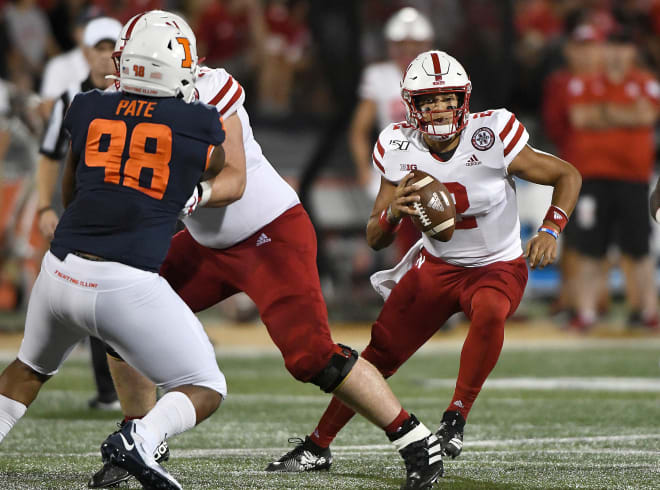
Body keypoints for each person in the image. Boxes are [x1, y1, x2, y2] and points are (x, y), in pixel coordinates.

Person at [88, 10, 444, 490]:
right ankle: (140, 439)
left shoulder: (211, 89)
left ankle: (416, 440)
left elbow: (232, 180)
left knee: (311, 358)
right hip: (207, 242)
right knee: (118, 313)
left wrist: (185, 196)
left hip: (268, 234)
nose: (122, 70)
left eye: (131, 59)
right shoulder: (121, 102)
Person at [266, 50, 582, 472]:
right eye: (428, 100)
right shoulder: (397, 146)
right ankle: (317, 444)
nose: (439, 108)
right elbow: (375, 237)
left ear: (463, 100)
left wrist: (550, 229)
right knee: (379, 354)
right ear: (411, 105)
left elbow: (568, 175)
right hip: (435, 267)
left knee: (489, 311)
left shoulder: (493, 133)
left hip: (496, 265)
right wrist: (393, 211)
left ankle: (456, 417)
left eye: (447, 98)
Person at [0, 24, 228, 490]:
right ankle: (140, 438)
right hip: (125, 282)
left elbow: (72, 186)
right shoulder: (197, 120)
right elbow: (217, 162)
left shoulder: (87, 105)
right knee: (206, 386)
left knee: (29, 370)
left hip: (60, 271)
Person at [35, 16, 123, 412]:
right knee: (94, 302)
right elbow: (50, 156)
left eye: (113, 49)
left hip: (135, 213)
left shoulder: (142, 95)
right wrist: (43, 205)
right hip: (89, 216)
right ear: (86, 53)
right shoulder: (72, 98)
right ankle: (110, 392)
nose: (107, 58)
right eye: (100, 49)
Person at [567, 28, 659, 330]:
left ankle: (647, 312)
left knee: (639, 249)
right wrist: (627, 115)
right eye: (613, 46)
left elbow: (647, 117)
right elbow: (581, 118)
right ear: (604, 51)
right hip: (593, 179)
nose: (617, 53)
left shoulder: (645, 82)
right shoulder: (584, 83)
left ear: (632, 52)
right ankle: (587, 313)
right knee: (589, 247)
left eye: (623, 46)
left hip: (633, 179)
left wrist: (605, 113)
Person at [350, 6, 433, 260]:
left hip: (432, 163)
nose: (408, 51)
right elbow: (359, 129)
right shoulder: (379, 76)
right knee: (391, 234)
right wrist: (364, 170)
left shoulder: (438, 74)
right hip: (393, 164)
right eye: (402, 44)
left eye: (414, 44)